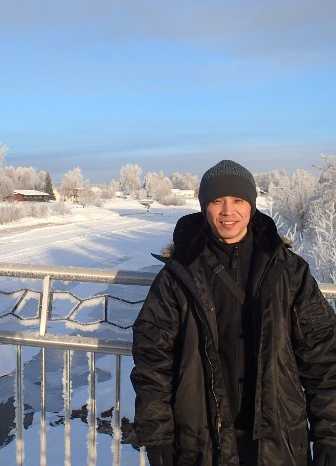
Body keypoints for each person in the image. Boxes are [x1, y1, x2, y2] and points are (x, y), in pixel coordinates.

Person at [131, 159, 336, 466]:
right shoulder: (179, 274)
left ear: (251, 206)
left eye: (238, 200)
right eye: (217, 201)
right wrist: (158, 437)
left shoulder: (288, 272)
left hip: (276, 439)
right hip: (201, 440)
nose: (228, 211)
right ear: (204, 208)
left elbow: (323, 358)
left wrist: (329, 435)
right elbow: (153, 362)